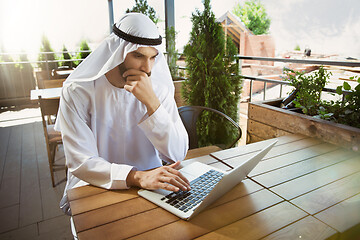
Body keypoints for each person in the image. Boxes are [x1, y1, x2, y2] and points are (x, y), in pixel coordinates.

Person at [55, 13, 190, 218]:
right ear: (118, 51)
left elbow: (177, 153)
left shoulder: (158, 89)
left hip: (152, 187)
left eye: (153, 57)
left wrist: (152, 103)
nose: (148, 68)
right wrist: (137, 177)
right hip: (97, 187)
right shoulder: (78, 91)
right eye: (138, 56)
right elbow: (81, 162)